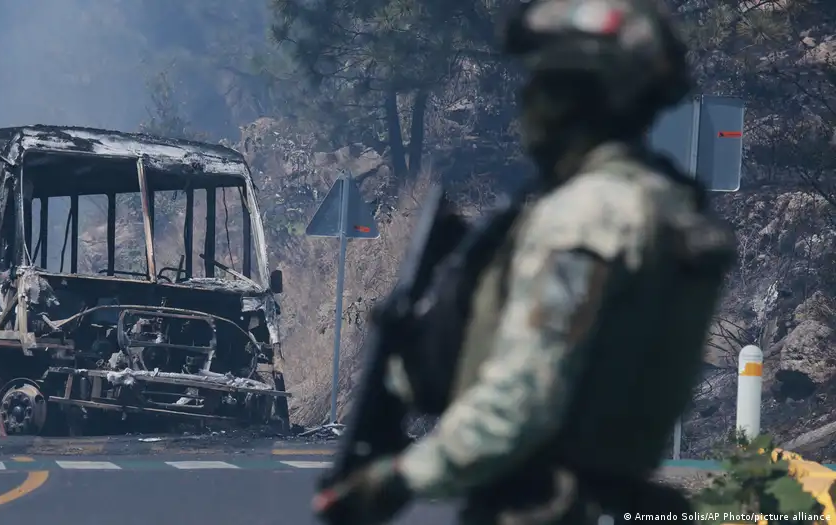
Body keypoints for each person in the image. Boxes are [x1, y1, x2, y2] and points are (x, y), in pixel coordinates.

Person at [311, 0, 737, 524]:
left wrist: (398, 480)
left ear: (580, 95)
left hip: (543, 505)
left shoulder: (587, 218)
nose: (528, 100)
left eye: (546, 82)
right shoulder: (667, 205)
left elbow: (525, 398)